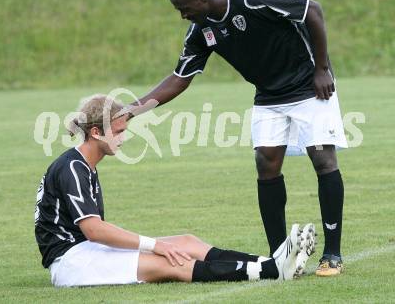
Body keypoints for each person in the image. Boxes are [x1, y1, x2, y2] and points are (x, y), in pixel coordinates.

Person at [131, 0, 348, 276]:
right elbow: (180, 78)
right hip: (269, 95)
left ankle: (332, 254)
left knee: (323, 158)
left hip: (309, 84)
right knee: (266, 163)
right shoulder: (200, 31)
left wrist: (322, 68)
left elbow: (312, 10)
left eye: (184, 9)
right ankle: (279, 257)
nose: (183, 16)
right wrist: (132, 110)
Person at [34, 94, 316, 287]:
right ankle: (272, 270)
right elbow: (95, 230)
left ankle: (274, 262)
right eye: (118, 131)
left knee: (186, 242)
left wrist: (160, 245)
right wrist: (156, 245)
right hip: (72, 262)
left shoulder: (83, 165)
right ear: (96, 133)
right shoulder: (72, 167)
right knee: (170, 263)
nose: (124, 137)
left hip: (88, 250)